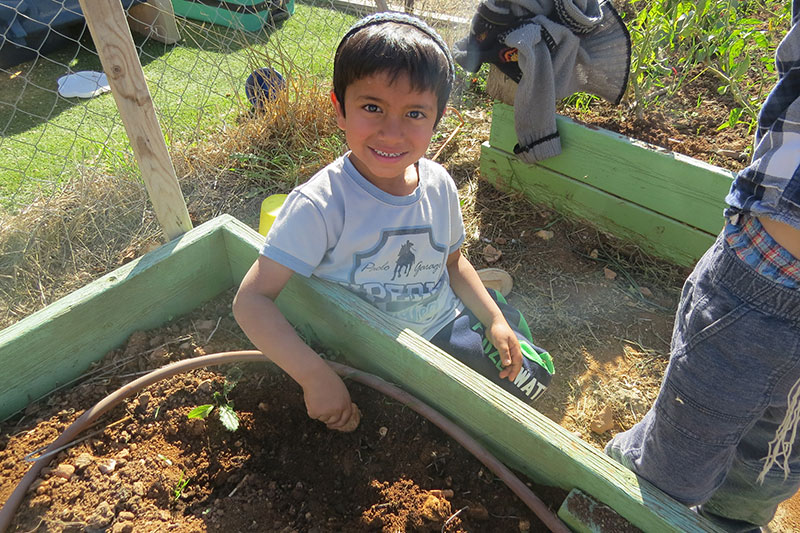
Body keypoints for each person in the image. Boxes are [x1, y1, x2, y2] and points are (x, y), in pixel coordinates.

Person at [233, 12, 554, 433]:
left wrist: (492, 318)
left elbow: (453, 264)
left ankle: (497, 309)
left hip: (442, 321)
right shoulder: (321, 204)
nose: (392, 132)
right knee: (454, 424)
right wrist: (315, 376)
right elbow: (251, 302)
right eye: (372, 107)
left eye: (415, 114)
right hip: (377, 347)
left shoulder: (438, 184)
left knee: (532, 381)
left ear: (437, 119)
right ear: (339, 109)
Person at [605, 4, 800, 532]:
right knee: (673, 467)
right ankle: (615, 491)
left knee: (772, 470)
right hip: (763, 287)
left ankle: (731, 522)